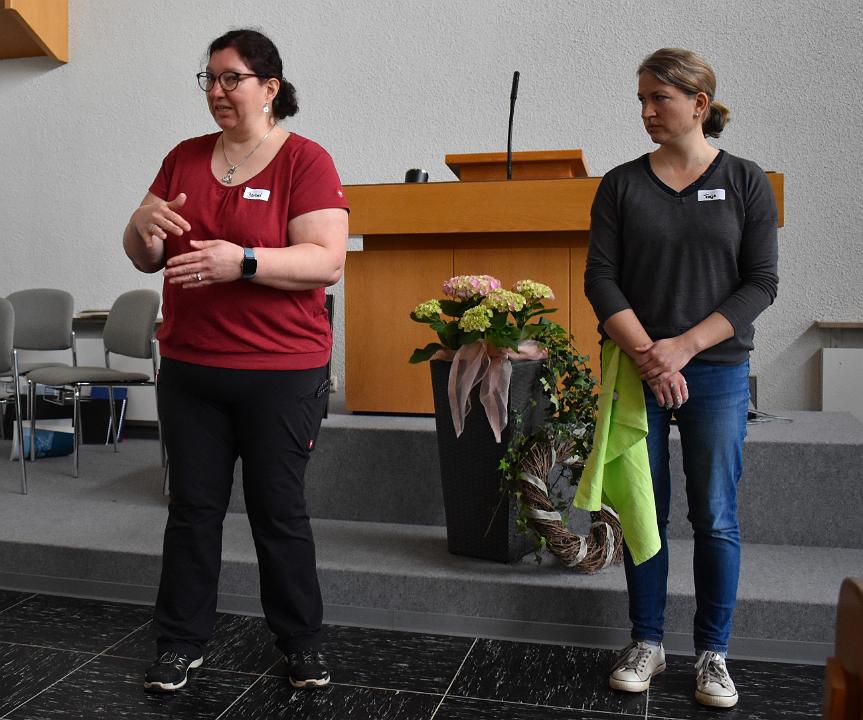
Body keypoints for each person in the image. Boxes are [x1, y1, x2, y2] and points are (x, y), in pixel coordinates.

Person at [122, 28, 349, 692]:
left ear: (269, 87)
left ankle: (302, 643)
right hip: (191, 367)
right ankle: (180, 643)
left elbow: (325, 261)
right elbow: (144, 253)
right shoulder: (184, 157)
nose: (217, 91)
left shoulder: (304, 160)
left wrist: (243, 261)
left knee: (277, 512)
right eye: (210, 79)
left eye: (232, 79)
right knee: (192, 511)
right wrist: (139, 229)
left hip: (280, 371)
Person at [585, 48, 778, 708]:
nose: (645, 111)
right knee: (643, 511)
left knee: (714, 516)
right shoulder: (620, 185)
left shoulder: (745, 181)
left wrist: (683, 348)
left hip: (716, 371)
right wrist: (650, 355)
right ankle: (647, 641)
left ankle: (712, 654)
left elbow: (760, 283)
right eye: (640, 99)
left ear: (698, 104)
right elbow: (600, 280)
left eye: (658, 98)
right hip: (636, 369)